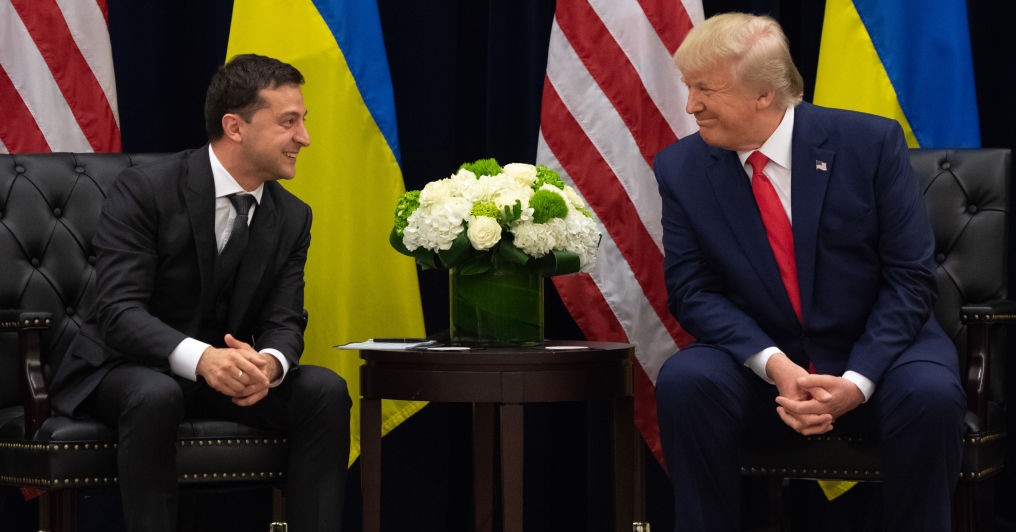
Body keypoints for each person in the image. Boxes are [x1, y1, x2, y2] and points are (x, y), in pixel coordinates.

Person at [653, 12, 965, 531]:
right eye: (690, 87)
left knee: (930, 397)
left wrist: (858, 380)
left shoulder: (870, 145)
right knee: (686, 382)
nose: (692, 106)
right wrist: (774, 364)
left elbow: (910, 278)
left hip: (880, 353)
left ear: (764, 95)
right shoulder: (682, 168)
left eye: (706, 89)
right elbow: (692, 292)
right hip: (765, 360)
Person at [50, 54, 351, 532]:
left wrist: (269, 365)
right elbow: (117, 310)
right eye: (288, 122)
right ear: (235, 127)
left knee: (323, 391)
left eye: (303, 122)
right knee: (155, 394)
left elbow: (284, 319)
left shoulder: (293, 216)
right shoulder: (146, 189)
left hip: (218, 377)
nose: (304, 138)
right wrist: (202, 358)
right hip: (123, 366)